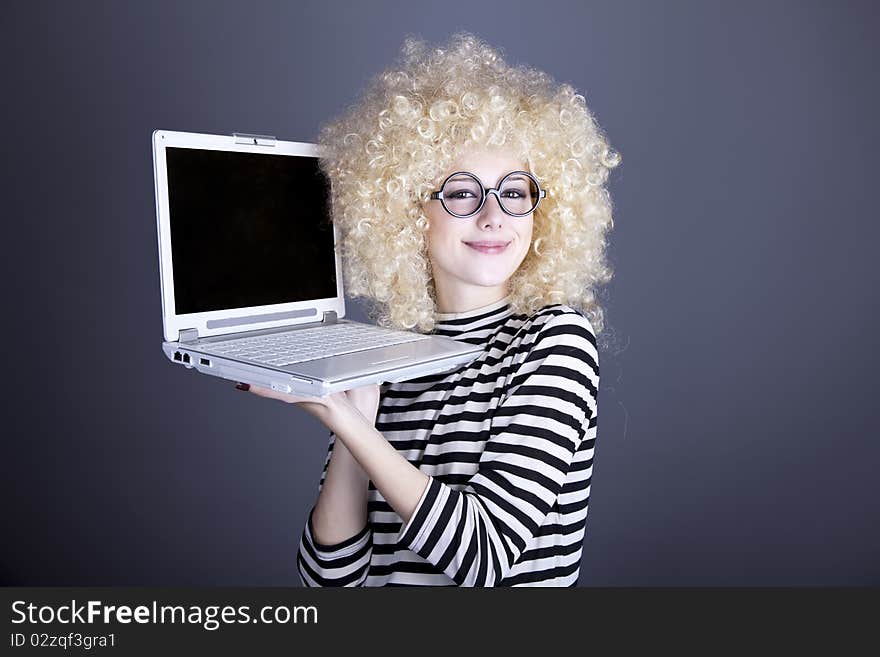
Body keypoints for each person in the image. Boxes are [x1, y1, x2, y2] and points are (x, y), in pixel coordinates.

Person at [238, 32, 620, 586]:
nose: (493, 215)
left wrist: (348, 424)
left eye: (514, 192)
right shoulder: (386, 354)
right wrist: (355, 423)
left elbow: (484, 556)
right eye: (461, 193)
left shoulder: (556, 341)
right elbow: (328, 579)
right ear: (407, 211)